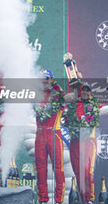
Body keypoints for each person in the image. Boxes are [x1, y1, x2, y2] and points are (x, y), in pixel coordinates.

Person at [65, 82, 108, 204]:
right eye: (83, 90)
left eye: (88, 90)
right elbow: (62, 111)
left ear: (91, 93)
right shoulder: (72, 106)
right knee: (78, 172)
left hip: (88, 143)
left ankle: (89, 200)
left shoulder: (94, 107)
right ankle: (84, 200)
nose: (85, 92)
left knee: (87, 172)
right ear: (80, 92)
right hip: (75, 142)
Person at [34, 69, 66, 204]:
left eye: (46, 78)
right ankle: (43, 200)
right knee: (40, 169)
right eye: (41, 78)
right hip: (40, 134)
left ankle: (59, 200)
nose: (44, 81)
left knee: (58, 168)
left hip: (54, 134)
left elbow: (71, 99)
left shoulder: (59, 94)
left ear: (52, 80)